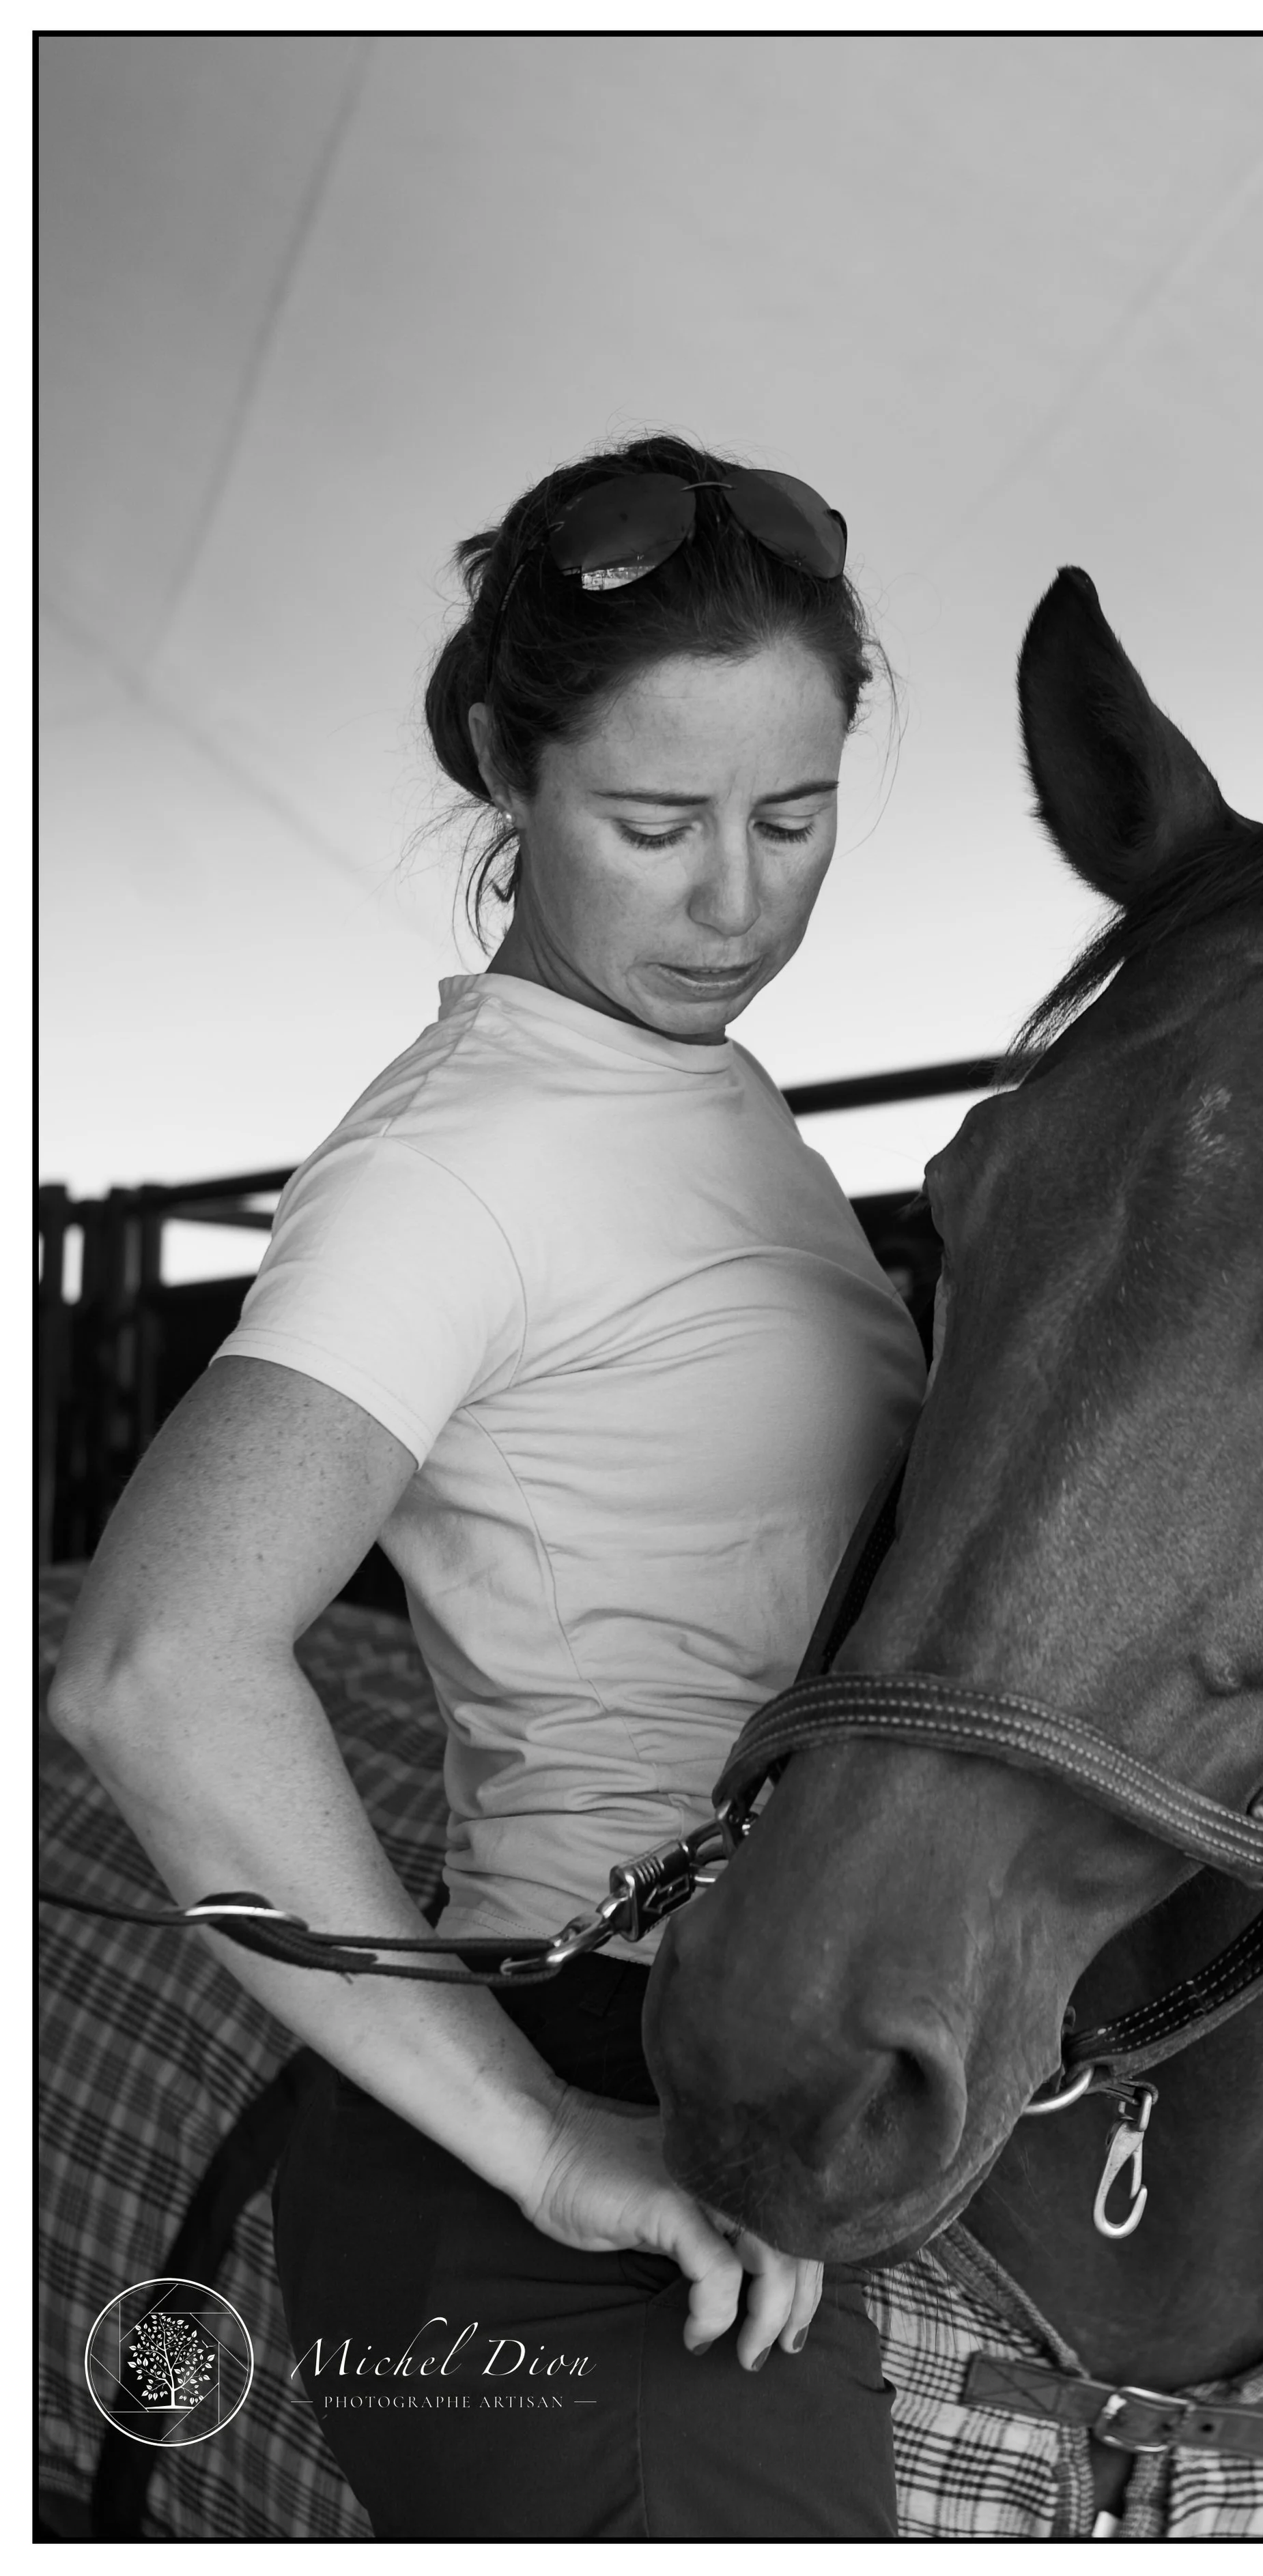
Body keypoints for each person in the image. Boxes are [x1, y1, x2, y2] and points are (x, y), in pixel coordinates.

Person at [48, 435, 926, 2538]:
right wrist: (539, 2137)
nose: (736, 898)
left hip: (755, 2081)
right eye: (654, 822)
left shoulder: (703, 1095)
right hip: (588, 2136)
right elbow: (155, 1668)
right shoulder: (456, 1159)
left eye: (793, 816)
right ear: (506, 775)